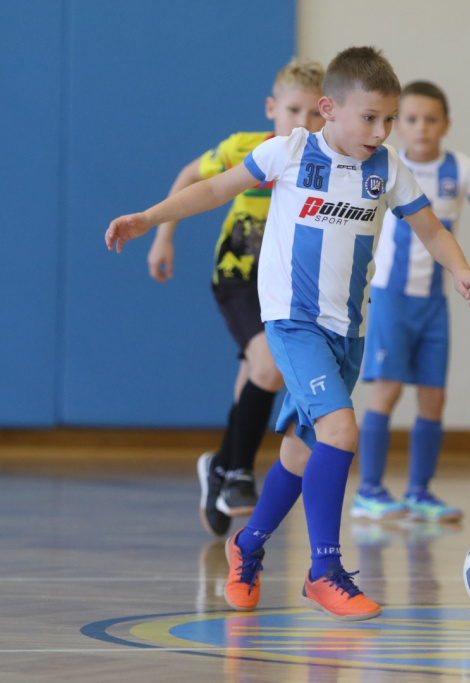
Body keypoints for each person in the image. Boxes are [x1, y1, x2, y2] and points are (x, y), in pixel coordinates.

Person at [105, 46, 470, 622]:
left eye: (389, 119)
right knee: (341, 430)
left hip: (348, 331)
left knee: (302, 452)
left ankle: (247, 546)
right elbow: (214, 188)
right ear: (329, 110)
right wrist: (151, 219)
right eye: (370, 118)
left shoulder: (388, 168)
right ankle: (324, 571)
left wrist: (461, 269)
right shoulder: (288, 151)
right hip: (293, 323)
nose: (381, 131)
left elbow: (430, 229)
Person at [146, 60, 325, 537]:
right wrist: (163, 237)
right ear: (271, 108)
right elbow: (191, 177)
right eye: (293, 110)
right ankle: (240, 472)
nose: (302, 123)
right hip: (240, 277)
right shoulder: (245, 149)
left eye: (314, 113)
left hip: (288, 285)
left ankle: (221, 467)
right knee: (268, 367)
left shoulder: (328, 162)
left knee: (255, 377)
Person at [352, 81, 470, 524]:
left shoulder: (461, 168)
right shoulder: (386, 165)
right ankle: (368, 491)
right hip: (391, 298)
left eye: (431, 119)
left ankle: (420, 491)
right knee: (388, 389)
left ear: (446, 125)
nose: (421, 128)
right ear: (398, 125)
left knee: (434, 397)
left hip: (434, 302)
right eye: (411, 119)